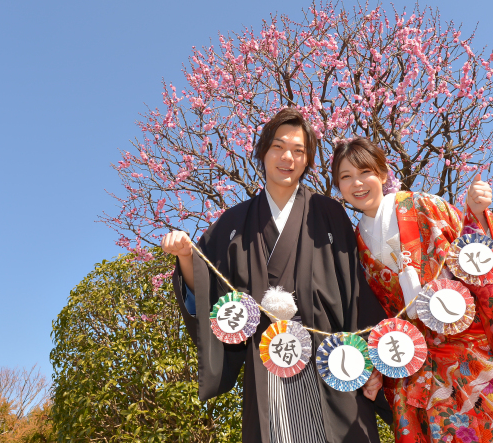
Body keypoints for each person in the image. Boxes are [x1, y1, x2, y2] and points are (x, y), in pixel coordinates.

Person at [332, 137, 493, 443]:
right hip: (423, 370)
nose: (357, 183)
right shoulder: (357, 247)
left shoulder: (424, 205)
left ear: (382, 172)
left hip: (471, 352)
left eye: (365, 172)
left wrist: (476, 212)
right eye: (345, 177)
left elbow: (471, 255)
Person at [162, 109, 391, 443]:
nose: (288, 157)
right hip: (268, 363)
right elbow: (210, 292)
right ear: (263, 152)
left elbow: (356, 291)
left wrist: (370, 359)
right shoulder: (233, 223)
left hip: (333, 361)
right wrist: (186, 257)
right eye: (279, 147)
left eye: (299, 151)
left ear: (308, 159)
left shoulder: (329, 213)